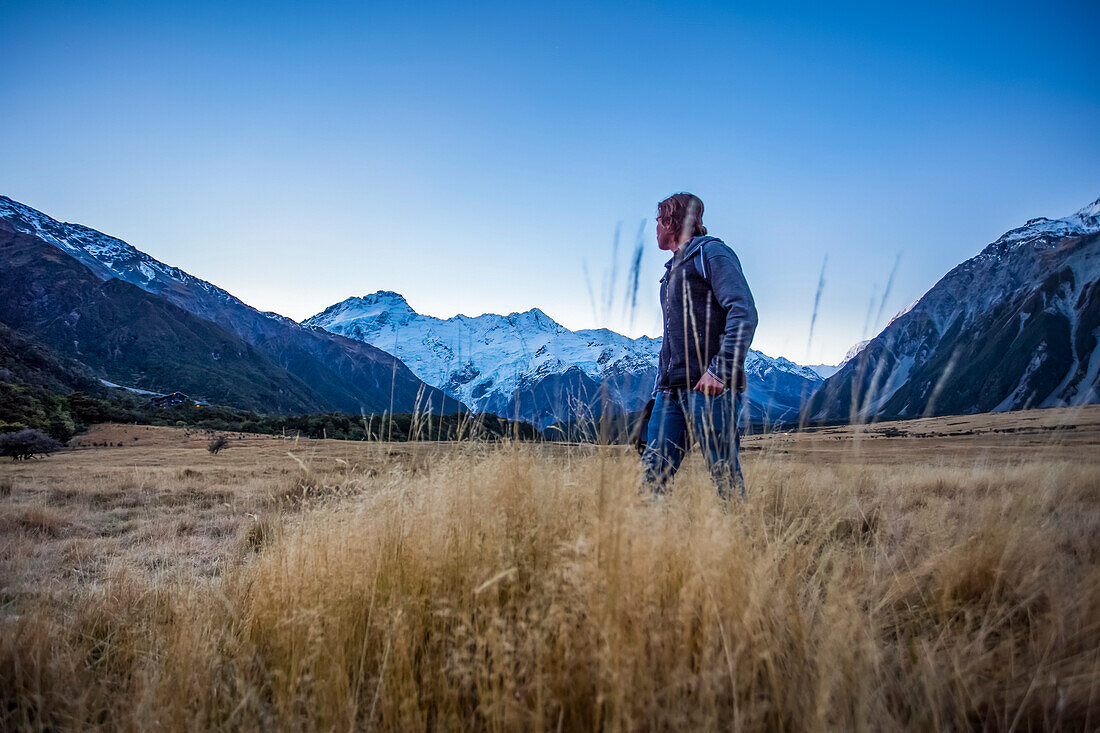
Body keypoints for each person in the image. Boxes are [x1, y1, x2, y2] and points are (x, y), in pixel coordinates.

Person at [640, 192, 758, 500]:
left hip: (709, 391)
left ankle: (742, 545)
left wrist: (719, 371)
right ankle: (647, 547)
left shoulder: (712, 254)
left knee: (725, 477)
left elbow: (743, 311)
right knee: (651, 479)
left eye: (658, 220)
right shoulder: (670, 274)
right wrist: (658, 391)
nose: (655, 227)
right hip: (670, 394)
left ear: (672, 221)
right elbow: (672, 340)